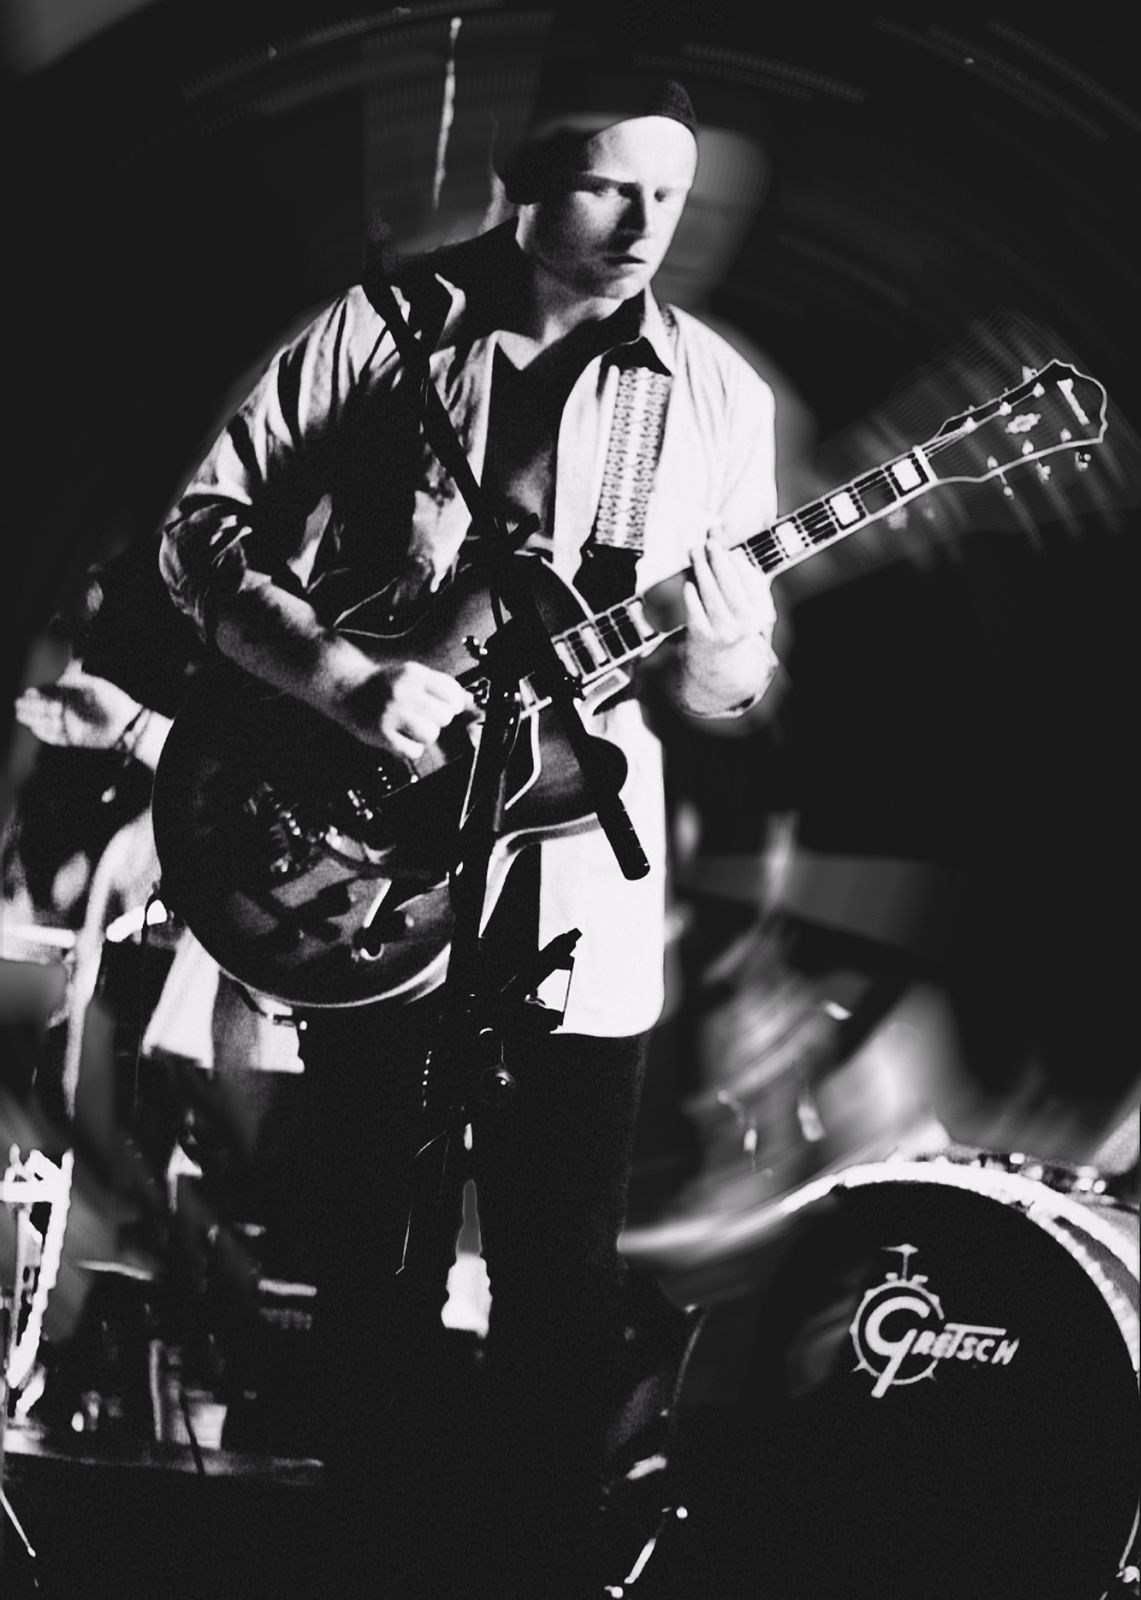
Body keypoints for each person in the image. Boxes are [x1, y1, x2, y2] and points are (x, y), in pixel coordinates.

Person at [158, 61, 781, 1598]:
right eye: (608, 185)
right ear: (527, 174)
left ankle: (528, 1564)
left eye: (668, 195)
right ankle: (373, 1552)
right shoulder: (383, 329)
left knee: (561, 1277)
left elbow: (723, 688)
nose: (642, 225)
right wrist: (344, 681)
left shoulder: (714, 395)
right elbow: (200, 534)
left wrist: (721, 654)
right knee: (374, 1254)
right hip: (373, 874)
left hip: (579, 894)